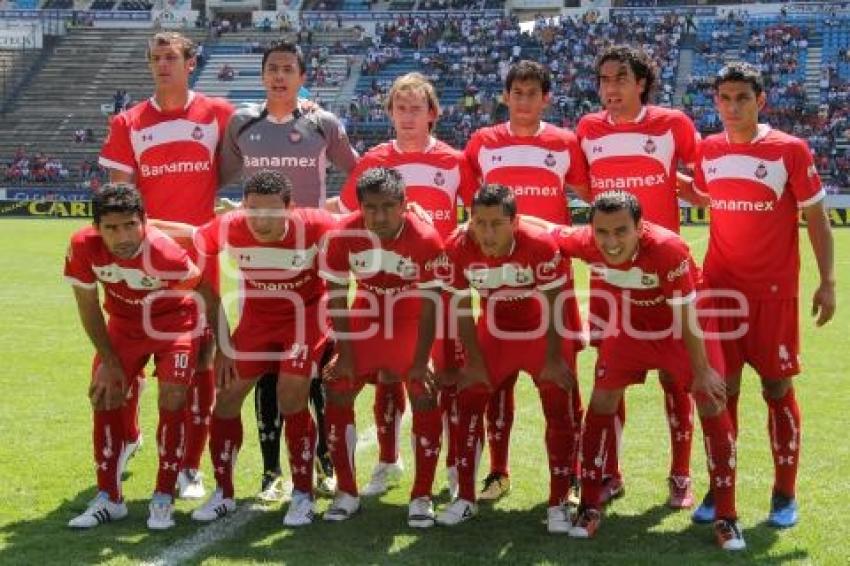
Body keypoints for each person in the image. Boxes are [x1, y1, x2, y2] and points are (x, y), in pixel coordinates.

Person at [537, 191, 744, 550]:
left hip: (684, 329)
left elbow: (685, 314)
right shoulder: (587, 242)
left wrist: (702, 370)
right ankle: (589, 507)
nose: (611, 241)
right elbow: (546, 231)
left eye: (621, 231)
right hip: (631, 327)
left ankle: (727, 517)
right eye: (602, 232)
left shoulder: (668, 248)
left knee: (711, 400)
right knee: (601, 401)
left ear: (639, 227)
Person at [689, 61, 835, 529]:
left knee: (776, 388)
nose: (733, 107)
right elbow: (708, 197)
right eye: (725, 99)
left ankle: (784, 493)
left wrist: (827, 281)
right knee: (719, 392)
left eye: (742, 99)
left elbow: (816, 218)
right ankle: (719, 487)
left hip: (773, 294)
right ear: (716, 102)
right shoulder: (707, 150)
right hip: (718, 292)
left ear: (761, 101)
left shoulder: (789, 150)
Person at [154, 170, 338, 527]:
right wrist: (224, 345)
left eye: (271, 212)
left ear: (290, 208)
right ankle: (223, 492)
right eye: (252, 210)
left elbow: (367, 223)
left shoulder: (318, 225)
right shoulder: (230, 226)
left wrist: (416, 213)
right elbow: (192, 243)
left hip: (306, 315)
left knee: (291, 394)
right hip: (256, 319)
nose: (260, 220)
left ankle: (302, 493)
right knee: (225, 396)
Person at [219, 40, 359, 501]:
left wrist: (336, 214)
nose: (279, 76)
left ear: (302, 76)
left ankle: (322, 461)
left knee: (315, 366)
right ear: (262, 76)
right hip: (262, 260)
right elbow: (217, 176)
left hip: (313, 256)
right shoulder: (243, 123)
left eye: (288, 69)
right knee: (265, 367)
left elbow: (358, 173)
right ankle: (270, 470)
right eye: (272, 69)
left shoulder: (322, 122)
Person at [99, 32, 235, 501]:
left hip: (199, 261)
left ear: (190, 63)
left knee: (200, 362)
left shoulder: (218, 114)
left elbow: (253, 156)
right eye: (155, 58)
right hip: (144, 259)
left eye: (171, 57)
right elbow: (119, 201)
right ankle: (130, 437)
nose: (162, 65)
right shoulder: (129, 121)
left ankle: (188, 466)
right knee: (129, 355)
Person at [330, 72, 476, 500]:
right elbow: (342, 215)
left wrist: (445, 242)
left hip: (437, 290)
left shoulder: (454, 160)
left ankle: (449, 468)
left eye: (416, 108)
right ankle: (389, 462)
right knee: (387, 380)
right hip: (379, 294)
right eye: (400, 108)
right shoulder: (374, 159)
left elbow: (477, 216)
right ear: (390, 113)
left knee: (442, 380)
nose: (408, 116)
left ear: (432, 113)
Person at [575, 45, 704, 507]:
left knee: (678, 379)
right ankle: (610, 472)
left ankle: (681, 475)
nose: (611, 88)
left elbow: (706, 179)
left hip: (665, 273)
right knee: (610, 379)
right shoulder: (588, 129)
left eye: (621, 79)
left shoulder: (673, 124)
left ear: (642, 82)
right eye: (604, 79)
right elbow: (584, 186)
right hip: (610, 277)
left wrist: (684, 187)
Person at [463, 60, 587, 503]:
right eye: (516, 92)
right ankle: (498, 471)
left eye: (532, 93)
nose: (524, 100)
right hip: (499, 283)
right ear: (506, 96)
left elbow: (591, 194)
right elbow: (471, 204)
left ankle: (572, 475)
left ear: (546, 98)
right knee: (497, 383)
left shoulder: (565, 143)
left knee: (563, 380)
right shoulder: (482, 143)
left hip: (552, 282)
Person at [64, 183, 212, 530]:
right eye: (112, 228)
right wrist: (109, 363)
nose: (123, 235)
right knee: (104, 395)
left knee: (174, 396)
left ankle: (163, 496)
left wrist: (214, 343)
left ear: (144, 221)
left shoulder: (166, 253)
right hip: (125, 324)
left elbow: (205, 292)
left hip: (173, 323)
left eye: (130, 225)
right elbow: (88, 308)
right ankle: (108, 498)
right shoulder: (82, 247)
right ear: (97, 229)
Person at [436, 184, 581, 533]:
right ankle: (466, 498)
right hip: (496, 328)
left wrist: (553, 360)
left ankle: (560, 500)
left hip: (541, 329)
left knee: (558, 400)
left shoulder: (540, 244)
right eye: (479, 222)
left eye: (496, 224)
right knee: (468, 399)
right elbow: (460, 307)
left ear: (515, 223)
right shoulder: (457, 247)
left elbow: (555, 305)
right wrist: (472, 361)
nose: (486, 232)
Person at [319, 167, 445, 527]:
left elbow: (432, 303)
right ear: (359, 207)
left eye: (389, 206)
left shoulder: (425, 237)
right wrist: (344, 352)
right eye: (371, 207)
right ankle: (347, 492)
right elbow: (338, 297)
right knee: (337, 388)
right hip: (367, 315)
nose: (380, 216)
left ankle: (421, 496)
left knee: (422, 390)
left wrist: (421, 361)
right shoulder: (342, 235)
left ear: (405, 205)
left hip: (409, 319)